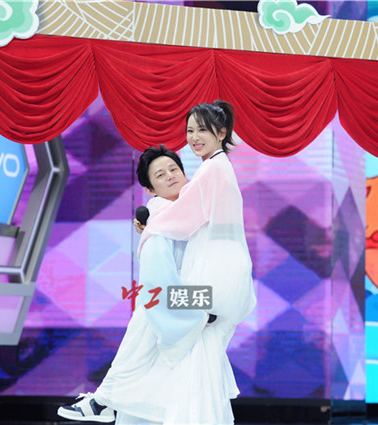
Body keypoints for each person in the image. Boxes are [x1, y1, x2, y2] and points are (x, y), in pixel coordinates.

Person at [58, 146, 209, 424]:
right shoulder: (161, 227)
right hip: (173, 315)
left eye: (174, 169)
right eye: (160, 175)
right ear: (150, 189)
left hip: (184, 317)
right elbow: (160, 286)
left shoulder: (186, 214)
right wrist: (202, 308)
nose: (170, 176)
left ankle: (103, 401)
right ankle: (103, 400)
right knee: (143, 370)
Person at [136, 100, 257, 423]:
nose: (194, 137)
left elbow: (182, 216)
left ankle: (112, 394)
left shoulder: (211, 170)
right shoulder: (220, 168)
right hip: (228, 284)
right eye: (190, 130)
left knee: (151, 309)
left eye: (202, 130)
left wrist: (150, 225)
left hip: (214, 286)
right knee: (201, 365)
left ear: (222, 133)